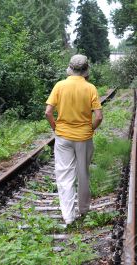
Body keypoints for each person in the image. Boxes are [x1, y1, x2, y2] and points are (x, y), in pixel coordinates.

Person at [45, 54, 103, 225]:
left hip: (63, 137)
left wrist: (56, 128)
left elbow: (48, 112)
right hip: (84, 138)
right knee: (83, 173)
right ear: (85, 70)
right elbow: (98, 116)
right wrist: (89, 128)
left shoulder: (60, 85)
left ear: (70, 69)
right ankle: (84, 210)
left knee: (64, 175)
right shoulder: (90, 88)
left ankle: (69, 217)